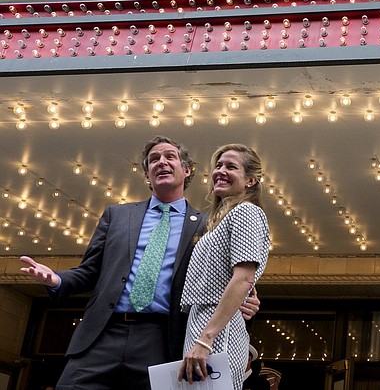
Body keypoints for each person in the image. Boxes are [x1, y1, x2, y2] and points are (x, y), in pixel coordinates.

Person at [19, 136, 260, 390]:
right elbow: (89, 271)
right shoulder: (118, 216)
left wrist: (249, 301)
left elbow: (227, 278)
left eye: (170, 157)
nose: (161, 162)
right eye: (154, 159)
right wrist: (57, 279)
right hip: (101, 334)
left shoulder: (207, 226)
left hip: (162, 338)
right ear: (147, 175)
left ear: (187, 170)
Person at [178, 144, 270, 389]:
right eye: (218, 165)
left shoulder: (247, 212)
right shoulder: (218, 221)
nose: (220, 171)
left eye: (231, 166)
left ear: (251, 179)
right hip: (202, 324)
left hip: (217, 329)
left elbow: (243, 279)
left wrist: (206, 340)